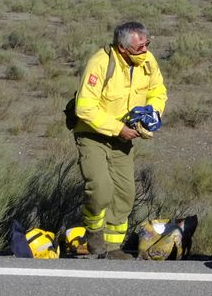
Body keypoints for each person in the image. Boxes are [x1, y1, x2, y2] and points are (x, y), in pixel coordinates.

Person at [71, 20, 167, 256]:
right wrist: (117, 128)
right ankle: (94, 237)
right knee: (100, 188)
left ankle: (112, 248)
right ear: (122, 48)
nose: (145, 50)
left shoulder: (147, 61)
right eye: (139, 47)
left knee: (125, 194)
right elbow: (84, 108)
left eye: (147, 44)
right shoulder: (100, 63)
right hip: (93, 134)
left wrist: (151, 113)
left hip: (124, 138)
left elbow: (158, 90)